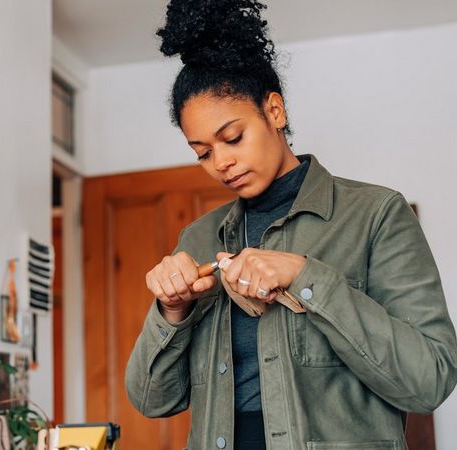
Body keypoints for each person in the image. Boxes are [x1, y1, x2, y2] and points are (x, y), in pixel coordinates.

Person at [123, 1, 457, 449]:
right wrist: (172, 311)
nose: (221, 163)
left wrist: (306, 277)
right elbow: (151, 401)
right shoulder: (200, 239)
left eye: (233, 138)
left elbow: (429, 380)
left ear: (275, 111)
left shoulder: (376, 215)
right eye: (202, 152)